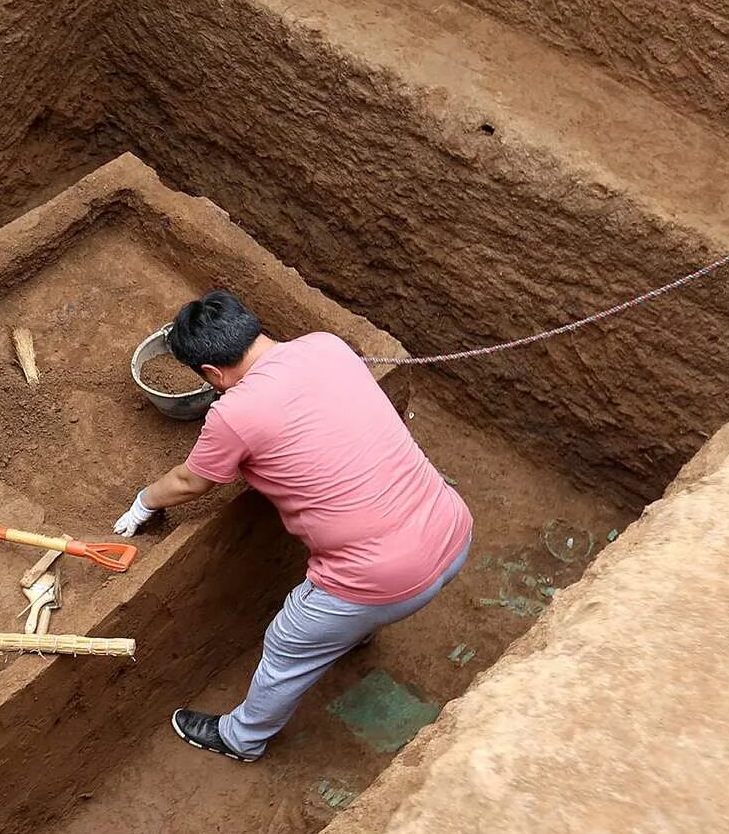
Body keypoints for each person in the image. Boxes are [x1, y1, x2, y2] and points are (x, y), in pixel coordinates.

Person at [112, 290, 473, 762]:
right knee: (354, 586)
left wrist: (143, 504)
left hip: (382, 582)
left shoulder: (232, 413)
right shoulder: (326, 345)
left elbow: (189, 481)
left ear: (211, 375)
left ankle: (243, 738)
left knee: (286, 641)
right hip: (452, 527)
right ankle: (355, 631)